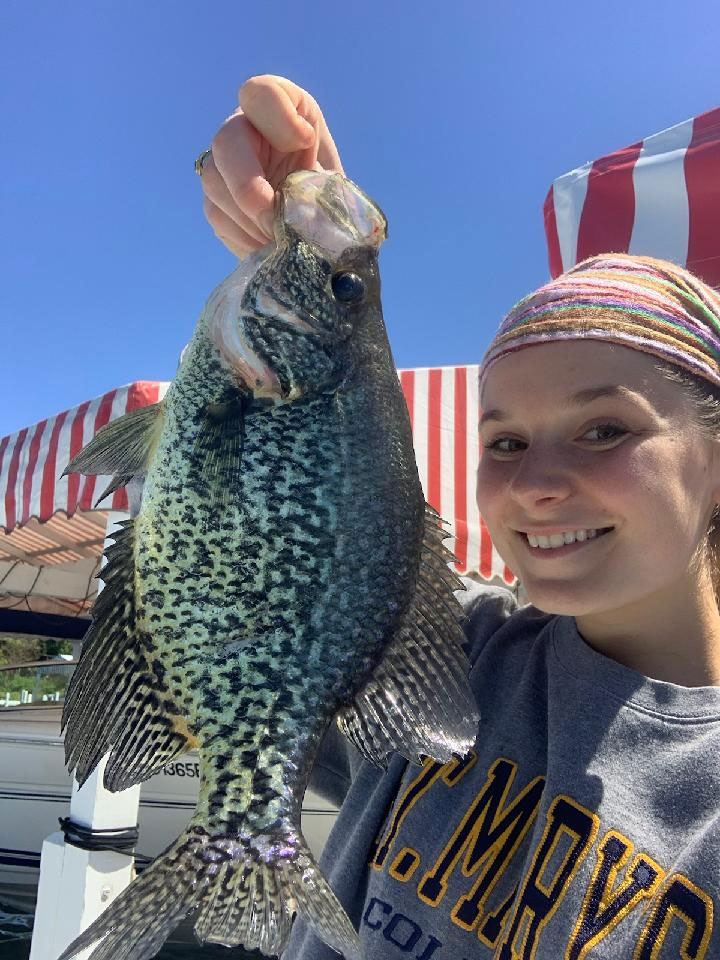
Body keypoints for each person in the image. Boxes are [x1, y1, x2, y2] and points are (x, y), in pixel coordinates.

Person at [199, 76, 720, 958]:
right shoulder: (449, 644)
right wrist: (312, 246)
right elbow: (288, 548)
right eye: (504, 442)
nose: (537, 484)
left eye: (604, 429)